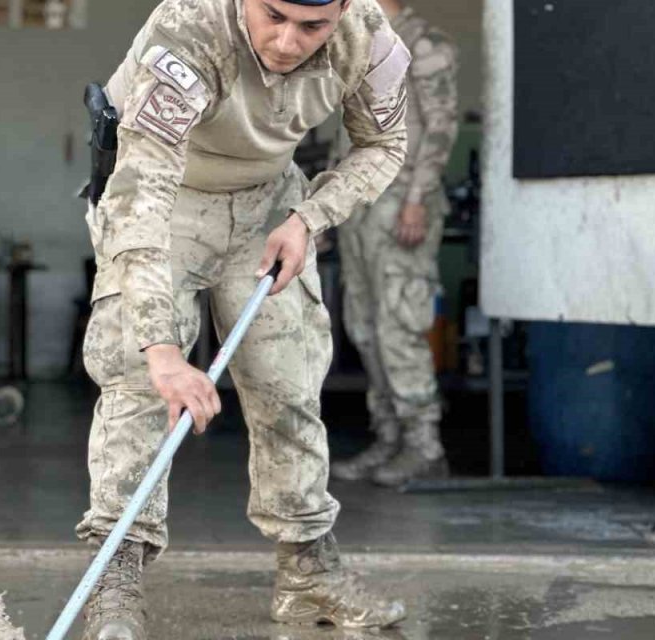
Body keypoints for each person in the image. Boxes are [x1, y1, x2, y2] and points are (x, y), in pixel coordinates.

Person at [76, 0, 412, 635]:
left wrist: (309, 219)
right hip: (165, 201)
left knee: (289, 385)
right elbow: (141, 196)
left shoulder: (366, 37)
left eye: (312, 27)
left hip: (269, 203)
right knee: (137, 384)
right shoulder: (189, 28)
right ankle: (113, 584)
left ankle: (308, 574)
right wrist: (163, 353)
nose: (287, 42)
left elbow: (384, 145)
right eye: (273, 15)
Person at [329, 0, 459, 488]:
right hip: (361, 206)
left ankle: (424, 446)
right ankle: (389, 438)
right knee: (363, 325)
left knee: (399, 323)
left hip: (401, 205)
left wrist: (418, 199)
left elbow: (441, 127)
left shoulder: (423, 42)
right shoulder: (356, 43)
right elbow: (344, 136)